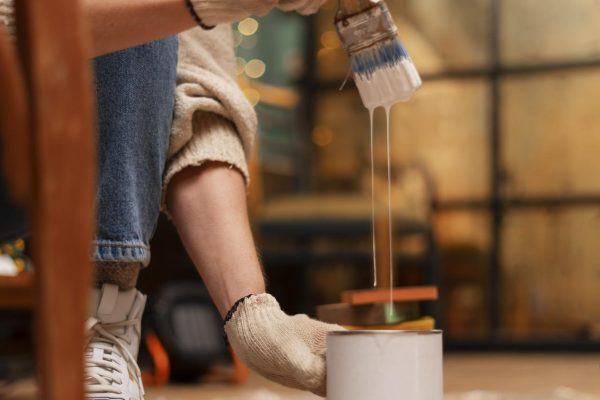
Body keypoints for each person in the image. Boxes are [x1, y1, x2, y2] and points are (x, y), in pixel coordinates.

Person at [0, 0, 342, 399]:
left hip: (36, 173)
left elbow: (198, 105)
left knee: (143, 16)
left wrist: (252, 315)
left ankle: (100, 323)